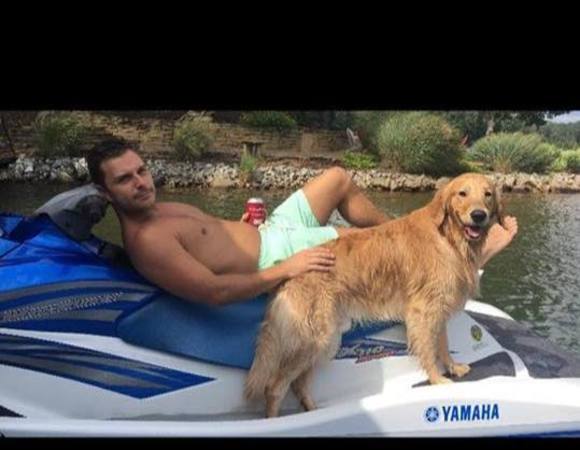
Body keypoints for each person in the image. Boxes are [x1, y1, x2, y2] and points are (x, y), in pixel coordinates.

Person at [86, 138, 518, 306]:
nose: (141, 183)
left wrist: (240, 225)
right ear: (105, 193)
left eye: (141, 170)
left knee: (338, 179)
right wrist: (287, 269)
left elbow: (208, 240)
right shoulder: (148, 240)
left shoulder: (154, 208)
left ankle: (418, 238)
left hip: (268, 230)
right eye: (125, 180)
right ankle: (463, 254)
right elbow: (214, 291)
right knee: (360, 240)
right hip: (275, 254)